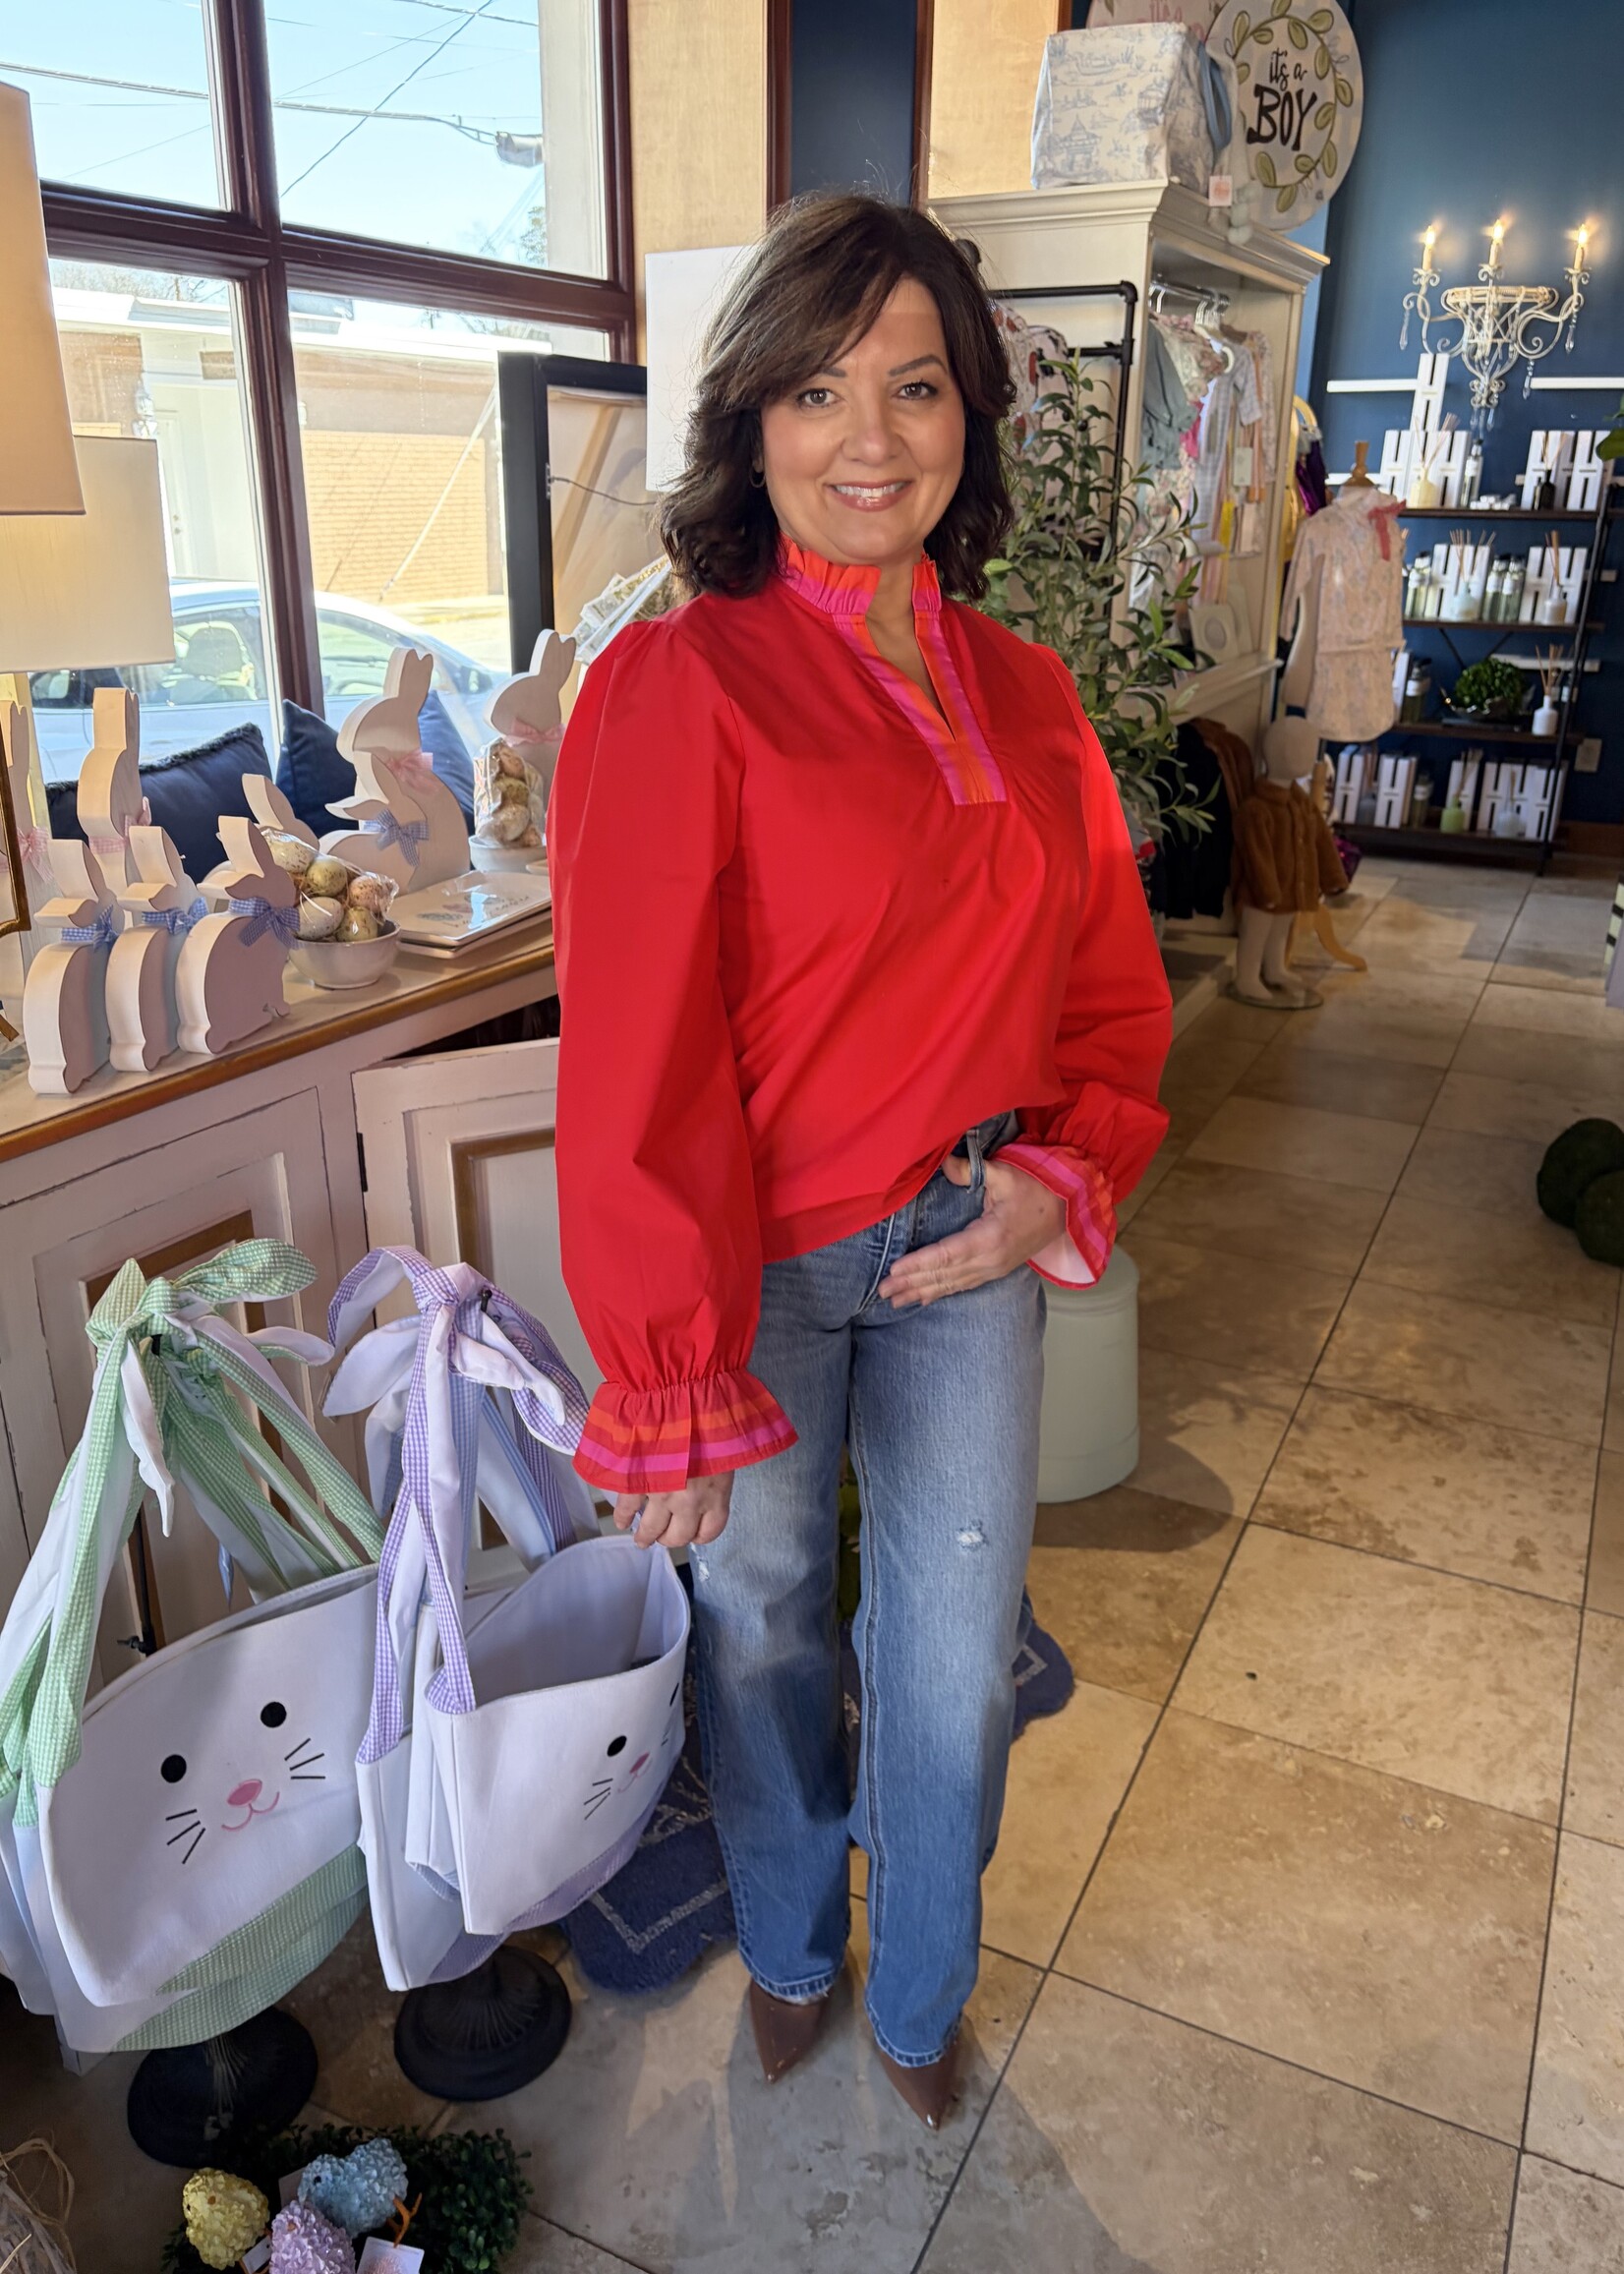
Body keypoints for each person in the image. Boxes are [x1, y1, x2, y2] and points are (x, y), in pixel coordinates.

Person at [549, 192, 1171, 2128]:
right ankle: (794, 1940)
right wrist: (658, 1355)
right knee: (755, 1627)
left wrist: (1054, 1171)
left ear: (966, 414)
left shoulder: (1030, 693)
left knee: (950, 1644)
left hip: (964, 1239)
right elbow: (634, 1049)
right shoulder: (678, 681)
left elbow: (1102, 984)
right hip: (752, 1264)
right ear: (749, 420)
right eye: (818, 389)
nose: (871, 436)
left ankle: (918, 1981)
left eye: (915, 385)